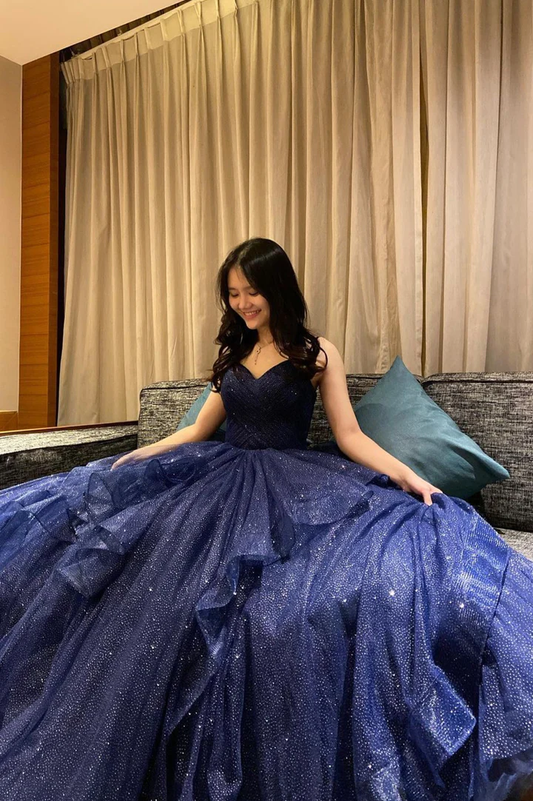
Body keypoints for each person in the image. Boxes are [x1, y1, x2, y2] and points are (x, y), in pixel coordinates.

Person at [0, 238, 531, 801]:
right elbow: (197, 430)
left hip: (294, 484)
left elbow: (350, 436)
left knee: (296, 593)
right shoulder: (232, 354)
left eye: (251, 291)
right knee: (144, 571)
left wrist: (409, 476)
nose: (242, 303)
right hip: (220, 479)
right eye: (232, 294)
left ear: (277, 288)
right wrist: (140, 455)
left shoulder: (316, 352)